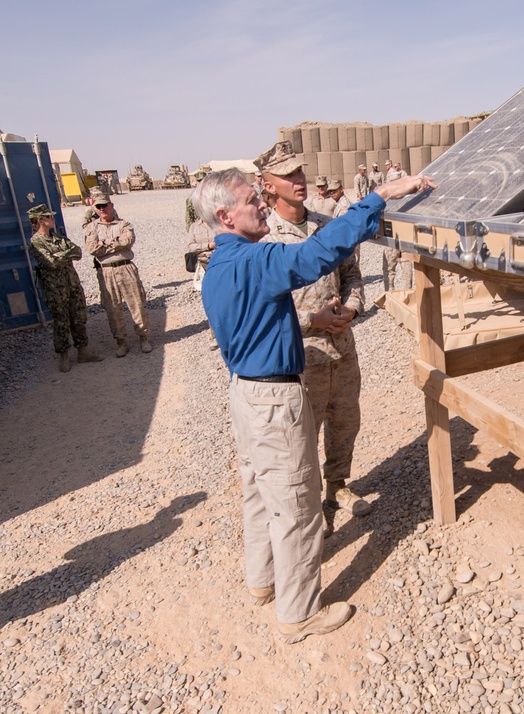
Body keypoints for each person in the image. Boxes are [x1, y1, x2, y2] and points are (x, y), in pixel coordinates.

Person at [190, 163, 433, 643]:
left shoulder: (218, 264)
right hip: (275, 398)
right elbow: (319, 253)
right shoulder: (251, 262)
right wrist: (379, 195)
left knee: (259, 493)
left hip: (245, 394)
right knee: (298, 506)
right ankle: (298, 614)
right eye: (251, 201)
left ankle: (262, 582)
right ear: (225, 215)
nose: (261, 204)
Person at [257, 141, 371, 534]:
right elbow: (265, 306)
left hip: (342, 349)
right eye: (287, 175)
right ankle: (307, 508)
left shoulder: (327, 227)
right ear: (267, 185)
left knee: (345, 422)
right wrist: (312, 319)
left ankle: (338, 487)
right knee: (301, 439)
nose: (299, 180)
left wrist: (353, 307)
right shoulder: (263, 238)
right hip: (301, 357)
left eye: (300, 172)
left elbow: (353, 273)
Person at [27, 204, 103, 372]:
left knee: (79, 317)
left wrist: (61, 254)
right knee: (61, 321)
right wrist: (65, 254)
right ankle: (64, 356)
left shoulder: (58, 238)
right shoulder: (36, 242)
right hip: (55, 289)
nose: (53, 219)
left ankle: (82, 352)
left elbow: (77, 252)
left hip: (72, 284)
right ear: (40, 220)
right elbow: (51, 263)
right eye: (49, 217)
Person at [84, 192, 152, 357]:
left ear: (111, 205)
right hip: (106, 271)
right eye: (98, 207)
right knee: (112, 308)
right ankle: (121, 341)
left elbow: (128, 241)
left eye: (104, 206)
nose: (102, 209)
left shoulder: (124, 224)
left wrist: (105, 243)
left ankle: (143, 337)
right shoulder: (92, 227)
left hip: (125, 267)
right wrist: (115, 242)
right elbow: (92, 249)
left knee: (136, 303)